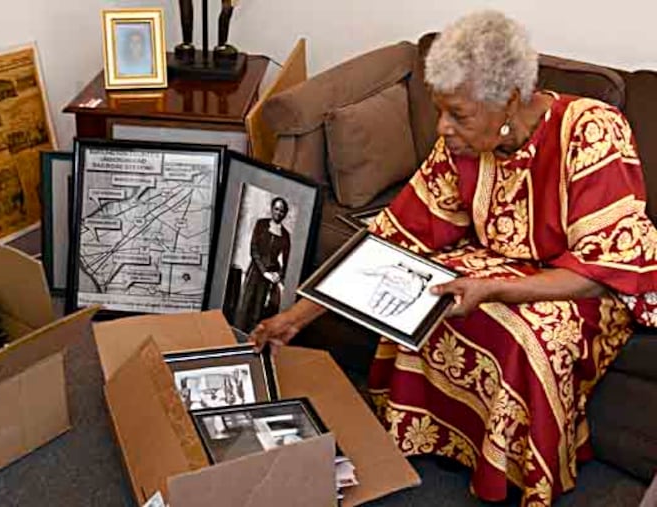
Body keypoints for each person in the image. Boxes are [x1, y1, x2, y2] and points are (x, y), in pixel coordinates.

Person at [251, 10, 657, 506]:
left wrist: (497, 289)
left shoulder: (593, 130)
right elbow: (394, 236)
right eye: (439, 111)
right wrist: (297, 314)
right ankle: (433, 439)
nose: (443, 127)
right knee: (419, 294)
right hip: (501, 264)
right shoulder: (463, 146)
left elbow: (601, 270)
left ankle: (516, 470)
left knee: (526, 335)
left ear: (509, 101)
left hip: (584, 286)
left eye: (457, 114)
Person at [235, 197, 291, 333]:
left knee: (258, 310)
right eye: (276, 209)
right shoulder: (261, 224)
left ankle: (251, 341)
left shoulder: (285, 235)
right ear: (272, 209)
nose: (278, 213)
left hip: (269, 278)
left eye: (282, 211)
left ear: (285, 214)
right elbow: (253, 250)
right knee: (245, 305)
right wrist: (263, 271)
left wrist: (278, 275)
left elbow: (287, 259)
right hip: (255, 271)